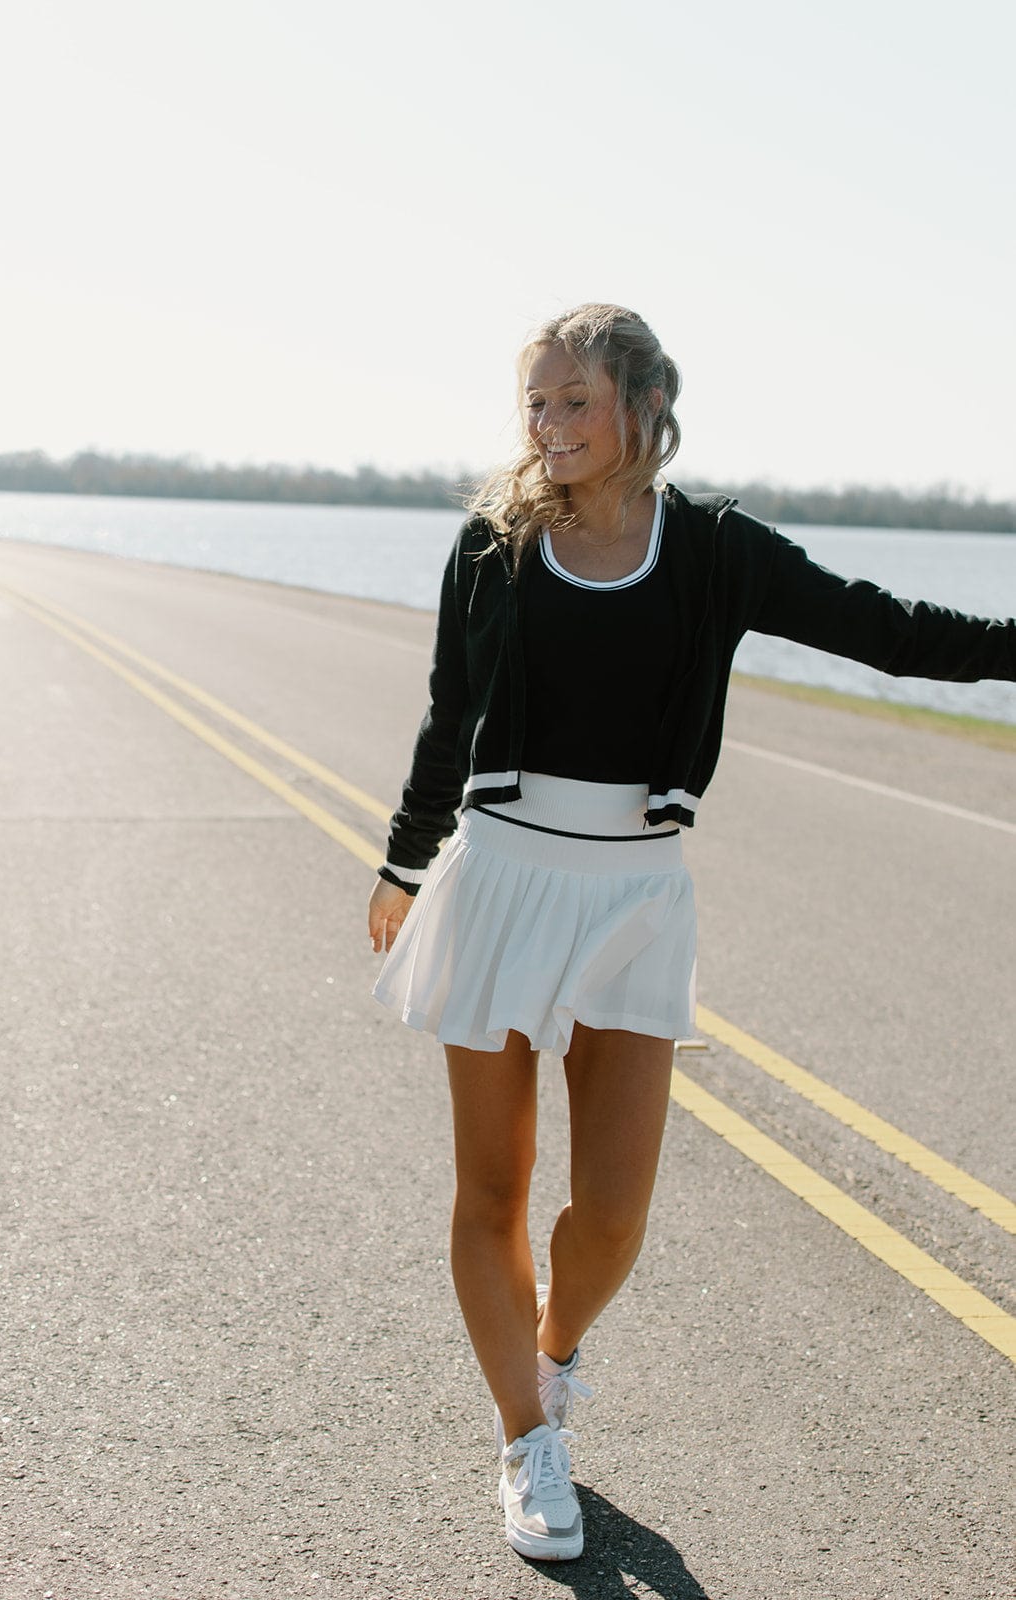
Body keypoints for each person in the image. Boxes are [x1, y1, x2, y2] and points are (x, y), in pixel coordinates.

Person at [366, 303, 1015, 1563]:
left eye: (572, 402)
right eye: (534, 405)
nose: (548, 428)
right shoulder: (492, 545)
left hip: (637, 894)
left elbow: (882, 628)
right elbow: (450, 714)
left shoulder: (717, 550)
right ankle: (525, 1441)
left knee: (612, 1211)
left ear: (642, 409)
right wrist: (401, 859)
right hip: (502, 874)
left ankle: (547, 1356)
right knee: (490, 1187)